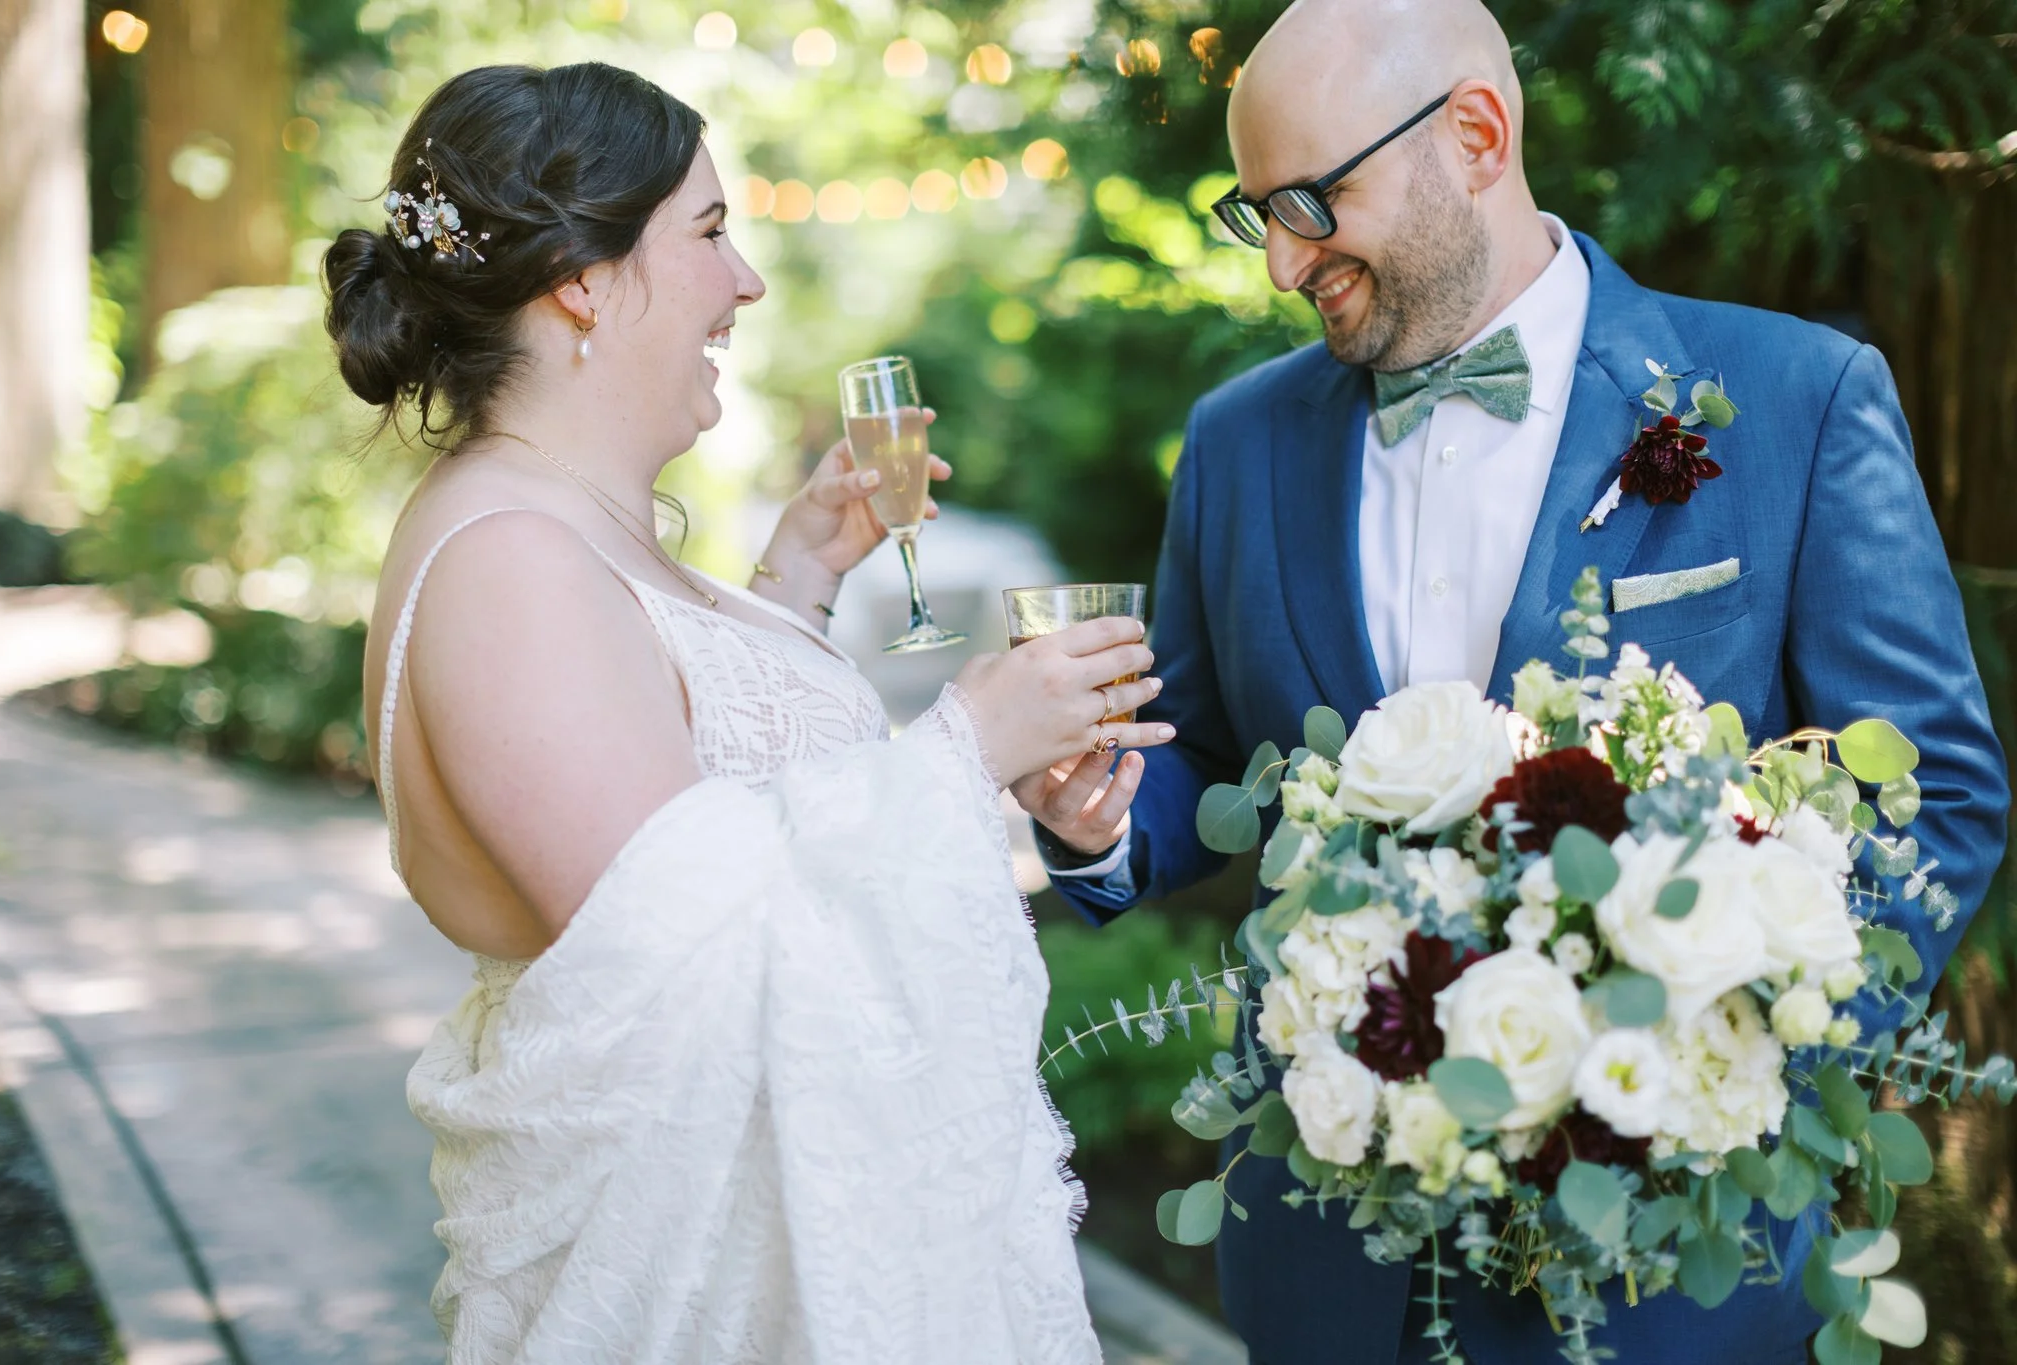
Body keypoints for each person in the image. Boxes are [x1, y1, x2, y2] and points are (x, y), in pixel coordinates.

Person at [1019, 1, 2010, 1362]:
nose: (1284, 266)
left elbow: (1935, 796)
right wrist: (1097, 818)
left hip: (1668, 1274)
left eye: (1314, 201)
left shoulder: (1792, 399)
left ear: (1477, 134)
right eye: (1259, 217)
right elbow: (1193, 762)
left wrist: (1719, 1064)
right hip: (1329, 1273)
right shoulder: (1237, 444)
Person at [329, 62, 1163, 1364]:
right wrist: (966, 750)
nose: (747, 283)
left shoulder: (562, 527)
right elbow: (672, 942)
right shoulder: (507, 560)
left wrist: (802, 579)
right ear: (583, 281)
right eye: (711, 235)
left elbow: (684, 784)